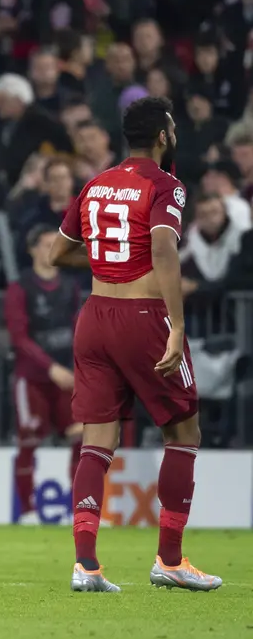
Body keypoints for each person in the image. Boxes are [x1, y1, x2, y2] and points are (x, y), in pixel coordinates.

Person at [50, 96, 222, 593]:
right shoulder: (166, 185)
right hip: (144, 319)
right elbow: (165, 248)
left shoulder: (96, 183)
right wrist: (176, 325)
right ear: (164, 135)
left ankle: (86, 566)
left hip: (95, 317)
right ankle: (169, 559)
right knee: (184, 432)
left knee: (96, 442)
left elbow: (56, 252)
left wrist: (107, 260)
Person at [5, 225, 82, 525]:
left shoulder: (70, 286)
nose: (53, 250)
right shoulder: (20, 288)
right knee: (30, 438)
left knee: (81, 437)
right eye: (47, 244)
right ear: (33, 249)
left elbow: (77, 326)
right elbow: (19, 338)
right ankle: (26, 510)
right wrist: (51, 368)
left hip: (67, 375)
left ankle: (82, 512)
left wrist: (80, 366)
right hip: (33, 377)